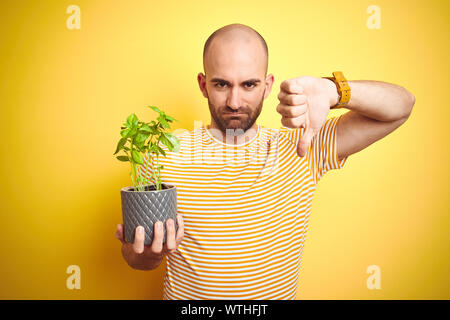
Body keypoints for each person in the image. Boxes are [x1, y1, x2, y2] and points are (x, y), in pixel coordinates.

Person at [115, 23, 415, 300]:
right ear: (203, 84)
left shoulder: (304, 144)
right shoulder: (163, 152)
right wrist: (146, 255)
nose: (234, 102)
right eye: (221, 85)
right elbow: (136, 258)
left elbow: (401, 107)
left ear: (268, 85)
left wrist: (334, 90)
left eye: (248, 85)